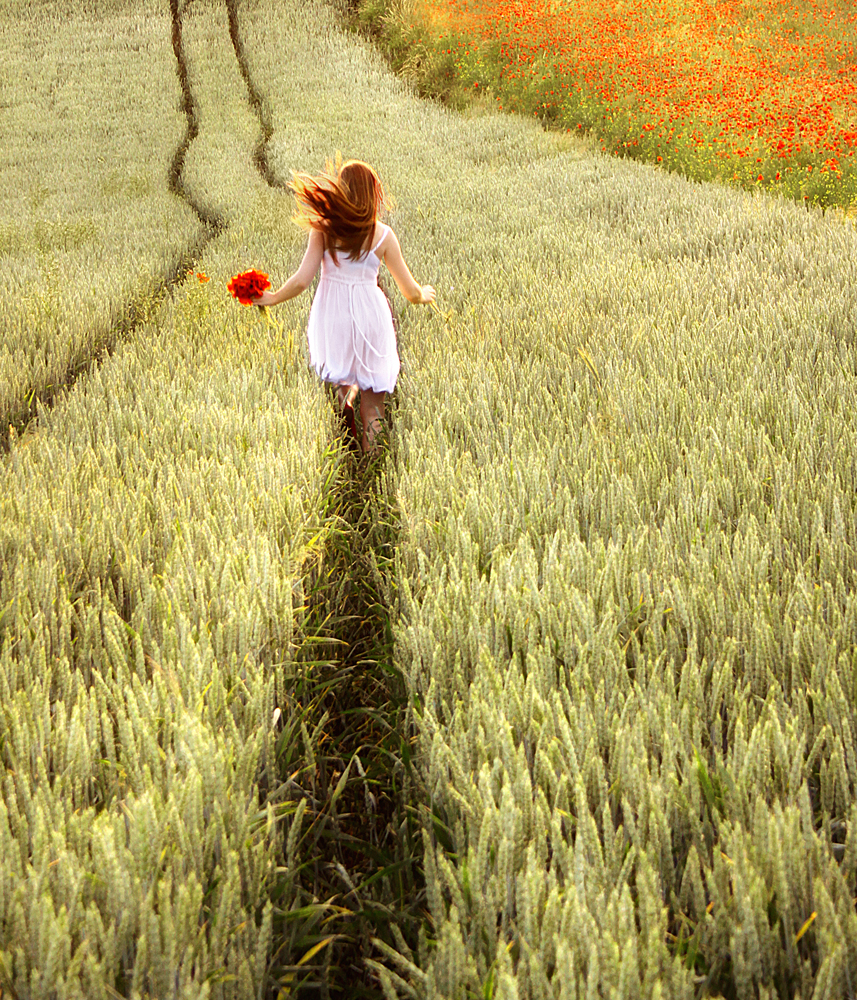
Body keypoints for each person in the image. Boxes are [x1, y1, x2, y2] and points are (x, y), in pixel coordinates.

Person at [253, 151, 435, 457]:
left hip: (333, 314)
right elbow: (410, 291)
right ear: (373, 193)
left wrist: (271, 298)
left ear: (342, 191)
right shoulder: (383, 235)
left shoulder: (324, 228)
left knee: (342, 380)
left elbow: (301, 280)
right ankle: (369, 465)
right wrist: (424, 294)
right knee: (374, 406)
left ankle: (345, 422)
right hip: (370, 314)